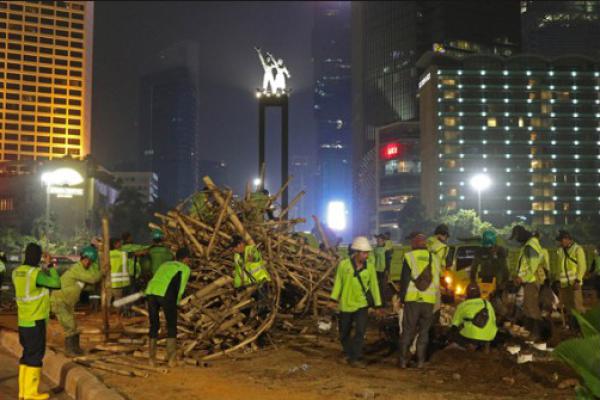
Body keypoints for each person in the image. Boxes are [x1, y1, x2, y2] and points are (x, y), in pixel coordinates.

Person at [13, 243, 61, 400]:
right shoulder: (35, 274)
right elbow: (56, 283)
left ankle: (23, 392)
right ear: (38, 256)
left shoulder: (16, 272)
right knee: (35, 356)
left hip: (23, 321)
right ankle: (31, 393)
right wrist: (51, 266)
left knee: (27, 355)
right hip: (36, 321)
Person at [330, 236, 382, 368]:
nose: (367, 255)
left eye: (367, 253)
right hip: (346, 304)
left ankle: (355, 357)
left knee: (360, 332)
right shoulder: (344, 265)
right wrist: (333, 299)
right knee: (344, 333)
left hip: (361, 304)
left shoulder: (369, 267)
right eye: (365, 253)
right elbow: (338, 283)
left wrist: (378, 304)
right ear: (357, 252)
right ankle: (349, 353)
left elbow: (374, 286)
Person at [398, 232, 441, 369]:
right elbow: (437, 281)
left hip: (413, 299)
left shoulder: (409, 256)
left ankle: (403, 361)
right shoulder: (434, 258)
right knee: (424, 332)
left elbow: (404, 280)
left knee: (408, 330)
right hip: (429, 301)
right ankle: (420, 361)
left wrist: (402, 298)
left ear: (414, 243)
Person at [50, 246, 102, 357]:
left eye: (91, 262)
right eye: (89, 261)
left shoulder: (82, 271)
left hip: (67, 302)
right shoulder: (77, 269)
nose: (89, 264)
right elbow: (93, 278)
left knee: (73, 326)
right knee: (70, 326)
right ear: (84, 258)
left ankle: (76, 349)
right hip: (60, 301)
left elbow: (84, 286)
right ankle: (70, 351)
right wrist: (103, 272)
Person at [145, 247, 191, 367]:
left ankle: (151, 359)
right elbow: (180, 289)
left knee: (154, 325)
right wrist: (178, 303)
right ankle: (171, 360)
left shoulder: (165, 264)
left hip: (150, 292)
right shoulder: (185, 268)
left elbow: (156, 278)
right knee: (171, 325)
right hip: (165, 294)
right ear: (186, 259)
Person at [509, 225, 544, 340]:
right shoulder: (527, 245)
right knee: (527, 307)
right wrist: (519, 276)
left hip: (532, 281)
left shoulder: (530, 246)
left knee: (531, 307)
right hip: (528, 281)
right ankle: (530, 332)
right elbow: (524, 265)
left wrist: (522, 278)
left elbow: (533, 266)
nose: (516, 240)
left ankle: (537, 334)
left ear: (521, 235)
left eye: (517, 237)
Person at [450, 283, 497, 353]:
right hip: (488, 336)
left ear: (467, 294)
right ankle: (486, 350)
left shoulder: (463, 305)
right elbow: (494, 320)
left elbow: (455, 324)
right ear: (479, 293)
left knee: (456, 336)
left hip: (472, 337)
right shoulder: (487, 303)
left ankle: (468, 351)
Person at [554, 230, 586, 328]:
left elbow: (582, 266)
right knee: (568, 308)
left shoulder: (577, 249)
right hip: (564, 285)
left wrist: (578, 280)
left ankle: (582, 328)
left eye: (562, 240)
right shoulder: (560, 251)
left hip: (574, 284)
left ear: (568, 239)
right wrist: (558, 280)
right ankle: (573, 328)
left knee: (577, 306)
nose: (560, 242)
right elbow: (558, 267)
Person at [374, 234, 391, 305]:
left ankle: (384, 302)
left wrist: (387, 270)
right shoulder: (375, 249)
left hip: (383, 271)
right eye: (377, 240)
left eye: (379, 240)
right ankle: (377, 302)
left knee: (383, 287)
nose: (378, 241)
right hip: (376, 270)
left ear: (383, 241)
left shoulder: (386, 250)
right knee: (376, 287)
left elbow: (388, 261)